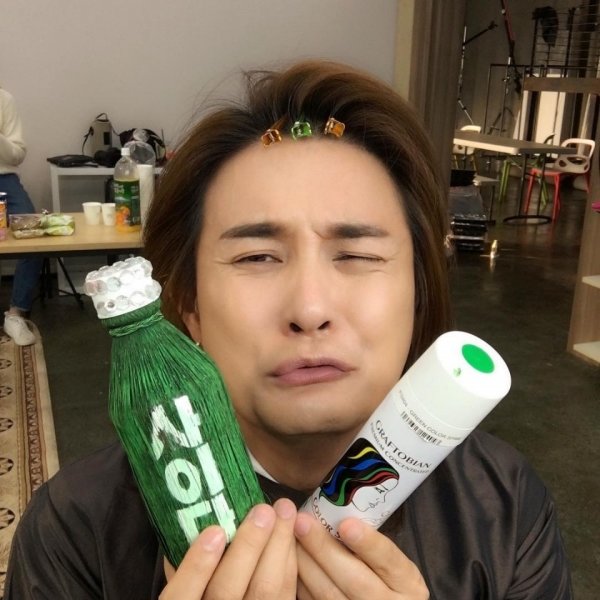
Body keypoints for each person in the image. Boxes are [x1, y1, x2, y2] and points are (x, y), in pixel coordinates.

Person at [5, 60, 572, 598]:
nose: (310, 307)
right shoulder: (74, 529)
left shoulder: (504, 505)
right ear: (188, 305)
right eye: (256, 257)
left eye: (357, 255)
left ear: (419, 295)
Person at [0, 85, 42, 345]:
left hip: (4, 179)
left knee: (33, 236)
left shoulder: (4, 99)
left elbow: (17, 155)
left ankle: (16, 314)